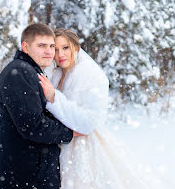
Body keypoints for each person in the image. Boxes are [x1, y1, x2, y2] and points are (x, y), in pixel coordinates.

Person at [38, 28, 164, 189]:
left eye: (65, 48)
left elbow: (89, 121)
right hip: (63, 142)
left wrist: (54, 99)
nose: (60, 54)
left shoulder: (90, 75)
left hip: (84, 145)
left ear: (76, 47)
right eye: (55, 49)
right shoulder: (57, 73)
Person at [0, 23, 76, 189]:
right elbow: (33, 126)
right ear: (26, 47)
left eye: (52, 46)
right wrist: (69, 132)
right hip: (24, 177)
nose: (49, 51)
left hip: (30, 174)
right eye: (41, 45)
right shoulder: (19, 72)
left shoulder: (30, 71)